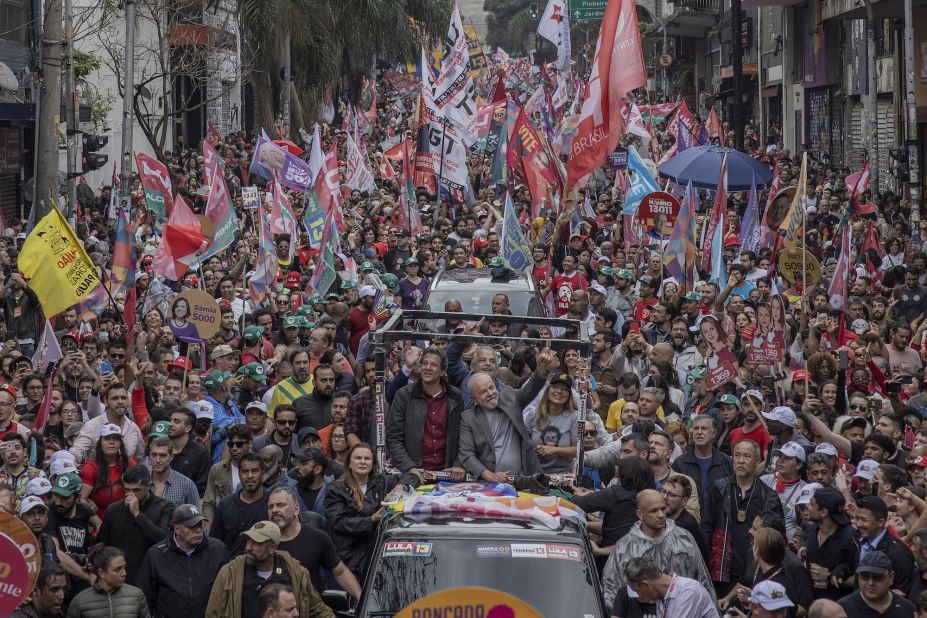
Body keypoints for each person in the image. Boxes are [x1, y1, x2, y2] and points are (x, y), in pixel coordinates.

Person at [601, 490, 714, 609]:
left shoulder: (684, 539)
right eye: (654, 511)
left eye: (663, 509)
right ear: (640, 514)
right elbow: (609, 588)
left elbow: (703, 581)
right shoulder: (624, 547)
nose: (661, 515)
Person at [702, 439, 784, 595]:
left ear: (757, 461)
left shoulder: (768, 495)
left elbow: (777, 537)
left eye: (746, 456)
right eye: (737, 455)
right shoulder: (719, 488)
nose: (740, 460)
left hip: (754, 569)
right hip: (721, 569)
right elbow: (707, 526)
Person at [205, 520, 334, 618]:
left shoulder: (295, 571)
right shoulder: (230, 573)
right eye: (248, 541)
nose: (248, 547)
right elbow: (213, 613)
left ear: (272, 547)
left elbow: (316, 607)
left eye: (256, 542)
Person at [386, 346, 466, 484]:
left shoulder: (455, 396)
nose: (427, 368)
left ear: (442, 371)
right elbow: (393, 437)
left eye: (433, 365)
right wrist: (409, 467)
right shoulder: (404, 395)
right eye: (424, 363)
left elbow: (463, 435)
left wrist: (458, 463)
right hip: (413, 474)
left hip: (446, 474)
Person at [267, 486, 362, 599]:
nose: (274, 510)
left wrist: (361, 598)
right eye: (270, 507)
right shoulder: (262, 542)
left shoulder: (317, 538)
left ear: (296, 510)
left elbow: (340, 572)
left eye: (281, 505)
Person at [322, 443, 400, 578]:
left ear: (373, 463)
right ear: (349, 463)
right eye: (358, 458)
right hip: (349, 558)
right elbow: (338, 522)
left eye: (367, 458)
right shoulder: (335, 488)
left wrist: (401, 488)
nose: (363, 462)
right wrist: (370, 520)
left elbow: (410, 478)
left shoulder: (383, 482)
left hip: (379, 556)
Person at [137, 504, 228, 618]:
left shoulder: (217, 550)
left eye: (200, 525)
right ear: (177, 528)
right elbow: (145, 598)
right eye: (192, 526)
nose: (199, 530)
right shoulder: (156, 554)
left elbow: (228, 591)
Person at [97, 464, 174, 586]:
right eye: (127, 490)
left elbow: (164, 539)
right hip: (119, 580)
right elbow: (101, 545)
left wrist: (138, 515)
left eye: (136, 490)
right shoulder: (113, 510)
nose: (130, 495)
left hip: (152, 578)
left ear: (148, 486)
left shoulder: (165, 507)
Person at [457, 372, 542, 481]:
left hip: (522, 480)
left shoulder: (511, 401)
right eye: (483, 392)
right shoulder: (468, 418)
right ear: (474, 399)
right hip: (488, 485)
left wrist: (542, 369)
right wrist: (489, 475)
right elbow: (466, 454)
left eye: (491, 387)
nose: (490, 393)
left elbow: (532, 388)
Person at [618, 555, 718, 618]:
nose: (637, 596)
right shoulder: (661, 598)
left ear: (645, 584)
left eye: (636, 590)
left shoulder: (689, 592)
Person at [803, 486, 858, 600]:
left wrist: (828, 576)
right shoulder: (812, 530)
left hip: (838, 607)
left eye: (812, 504)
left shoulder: (849, 538)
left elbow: (860, 579)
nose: (807, 507)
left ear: (823, 512)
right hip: (812, 603)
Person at [210, 452, 268, 557]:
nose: (250, 476)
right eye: (245, 471)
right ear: (239, 474)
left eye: (254, 471)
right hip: (230, 568)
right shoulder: (225, 505)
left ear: (262, 473)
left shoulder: (271, 505)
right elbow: (214, 544)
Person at [66, 546, 150, 617]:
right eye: (118, 569)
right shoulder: (80, 601)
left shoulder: (136, 595)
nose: (124, 573)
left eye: (124, 567)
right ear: (101, 572)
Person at [78, 422, 136, 519]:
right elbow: (81, 499)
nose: (112, 442)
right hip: (100, 520)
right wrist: (96, 521)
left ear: (120, 444)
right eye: (107, 438)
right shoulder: (90, 468)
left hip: (127, 518)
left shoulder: (131, 464)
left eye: (116, 439)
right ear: (100, 442)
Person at [838, 550, 916, 617]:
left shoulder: (907, 609)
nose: (870, 583)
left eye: (878, 577)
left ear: (891, 577)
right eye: (865, 577)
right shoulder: (842, 609)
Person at [203, 424, 252, 523]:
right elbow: (209, 503)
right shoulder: (217, 469)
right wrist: (208, 528)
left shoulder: (259, 468)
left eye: (239, 444)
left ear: (250, 444)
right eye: (231, 444)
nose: (234, 448)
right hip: (223, 523)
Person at [167, 407, 212, 494]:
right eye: (170, 420)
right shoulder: (163, 450)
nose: (170, 424)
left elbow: (202, 489)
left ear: (188, 428)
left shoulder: (200, 454)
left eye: (176, 421)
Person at [147, 436, 200, 508]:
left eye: (163, 455)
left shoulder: (187, 485)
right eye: (154, 455)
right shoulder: (141, 482)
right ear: (149, 457)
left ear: (171, 457)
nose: (158, 460)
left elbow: (196, 516)